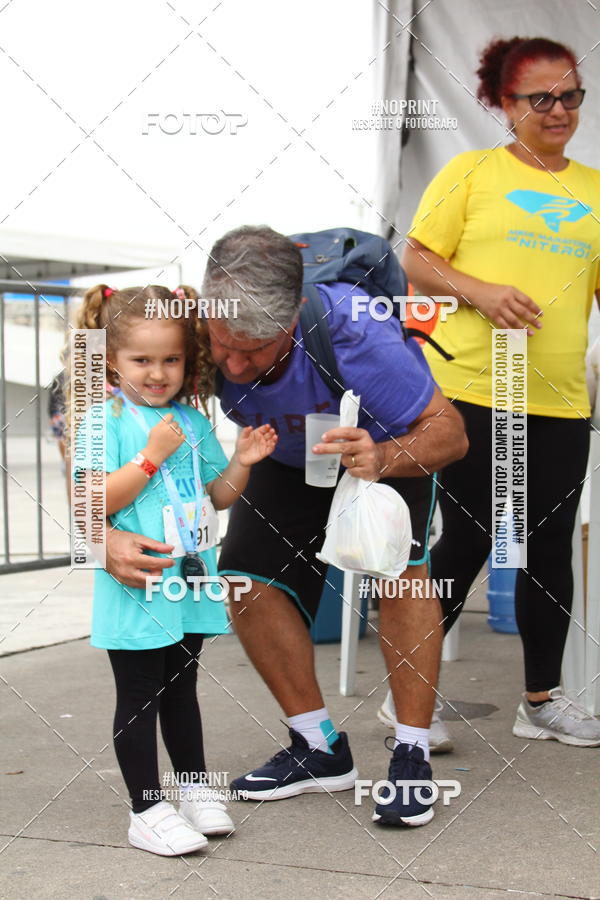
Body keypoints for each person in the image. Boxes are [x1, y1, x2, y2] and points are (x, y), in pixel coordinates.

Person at [102, 226, 468, 828]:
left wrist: (382, 458)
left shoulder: (355, 331)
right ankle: (319, 747)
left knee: (401, 576)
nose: (237, 366)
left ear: (295, 315)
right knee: (244, 577)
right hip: (282, 454)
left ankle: (412, 751)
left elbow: (450, 433)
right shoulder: (192, 328)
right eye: (226, 347)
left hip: (379, 447)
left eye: (258, 349)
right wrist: (100, 532)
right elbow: (89, 400)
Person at [402, 37, 600, 747]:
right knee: (469, 540)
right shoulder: (471, 173)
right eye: (538, 98)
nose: (558, 110)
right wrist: (481, 291)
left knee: (548, 548)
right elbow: (417, 259)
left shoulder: (596, 189)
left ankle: (541, 701)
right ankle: (408, 702)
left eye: (570, 95)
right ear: (503, 105)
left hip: (559, 402)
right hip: (475, 392)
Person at [70, 283, 277, 855]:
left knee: (181, 687)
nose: (158, 373)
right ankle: (145, 809)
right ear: (112, 360)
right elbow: (94, 502)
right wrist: (151, 454)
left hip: (185, 582)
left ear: (189, 361)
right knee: (138, 693)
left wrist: (243, 461)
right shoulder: (103, 419)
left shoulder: (192, 417)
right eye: (142, 360)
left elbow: (219, 495)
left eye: (171, 360)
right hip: (136, 584)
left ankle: (191, 787)